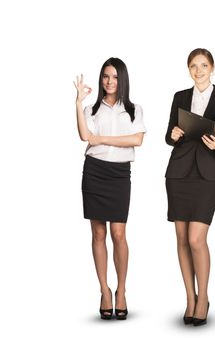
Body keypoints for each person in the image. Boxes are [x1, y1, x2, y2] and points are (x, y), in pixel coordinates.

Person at [165, 48, 215, 326]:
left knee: (196, 239)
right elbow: (169, 133)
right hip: (179, 173)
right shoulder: (180, 97)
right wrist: (172, 135)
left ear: (212, 67)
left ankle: (203, 297)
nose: (198, 70)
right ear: (188, 70)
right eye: (193, 66)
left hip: (207, 175)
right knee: (181, 239)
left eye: (203, 65)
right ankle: (190, 299)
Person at [74, 57, 146, 320]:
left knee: (118, 234)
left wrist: (102, 138)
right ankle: (104, 291)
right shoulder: (91, 110)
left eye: (115, 77)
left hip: (118, 174)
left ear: (122, 79)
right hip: (94, 172)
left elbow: (136, 140)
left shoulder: (134, 109)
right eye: (106, 76)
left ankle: (122, 291)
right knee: (98, 234)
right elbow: (84, 136)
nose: (110, 81)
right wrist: (78, 103)